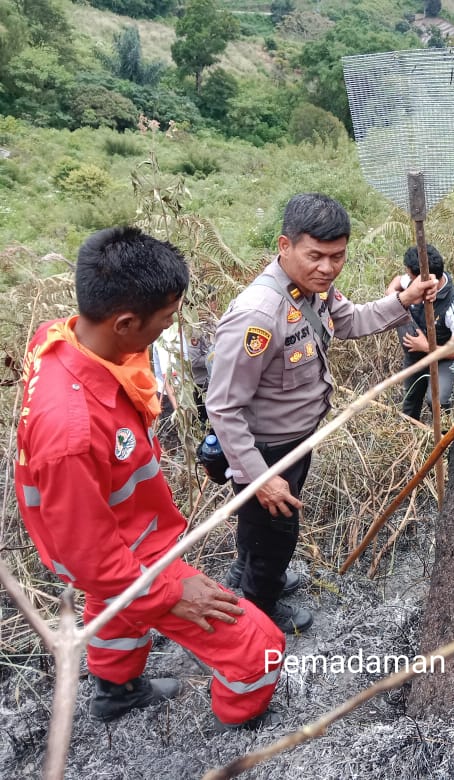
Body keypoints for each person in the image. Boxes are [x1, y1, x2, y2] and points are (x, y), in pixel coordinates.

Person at [14, 226, 284, 728]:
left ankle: (116, 692)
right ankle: (242, 723)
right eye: (162, 323)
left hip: (114, 531)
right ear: (125, 322)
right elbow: (91, 557)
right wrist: (170, 592)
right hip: (121, 551)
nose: (165, 331)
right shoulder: (71, 432)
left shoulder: (61, 338)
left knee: (114, 611)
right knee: (260, 647)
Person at [205, 193, 438, 634]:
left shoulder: (313, 291)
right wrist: (259, 476)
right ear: (284, 246)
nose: (327, 268)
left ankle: (249, 572)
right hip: (266, 451)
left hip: (296, 441)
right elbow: (223, 405)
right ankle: (260, 607)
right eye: (315, 256)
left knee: (260, 529)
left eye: (337, 257)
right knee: (278, 534)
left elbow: (351, 321)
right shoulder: (259, 314)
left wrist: (404, 299)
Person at [386, 244, 454, 421]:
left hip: (444, 359)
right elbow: (396, 281)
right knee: (410, 399)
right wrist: (392, 297)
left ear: (425, 279)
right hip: (416, 356)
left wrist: (427, 347)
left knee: (437, 401)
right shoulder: (413, 282)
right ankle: (408, 433)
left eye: (411, 276)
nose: (408, 279)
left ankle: (445, 440)